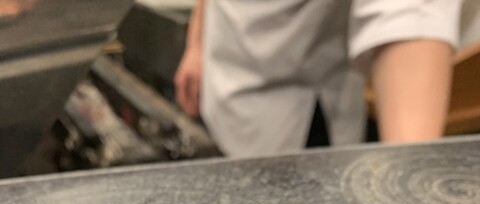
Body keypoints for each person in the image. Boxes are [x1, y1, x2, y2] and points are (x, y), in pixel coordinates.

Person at [174, 0, 462, 157]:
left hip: (301, 107)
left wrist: (407, 177)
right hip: (223, 82)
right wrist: (197, 44)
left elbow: (408, 12)